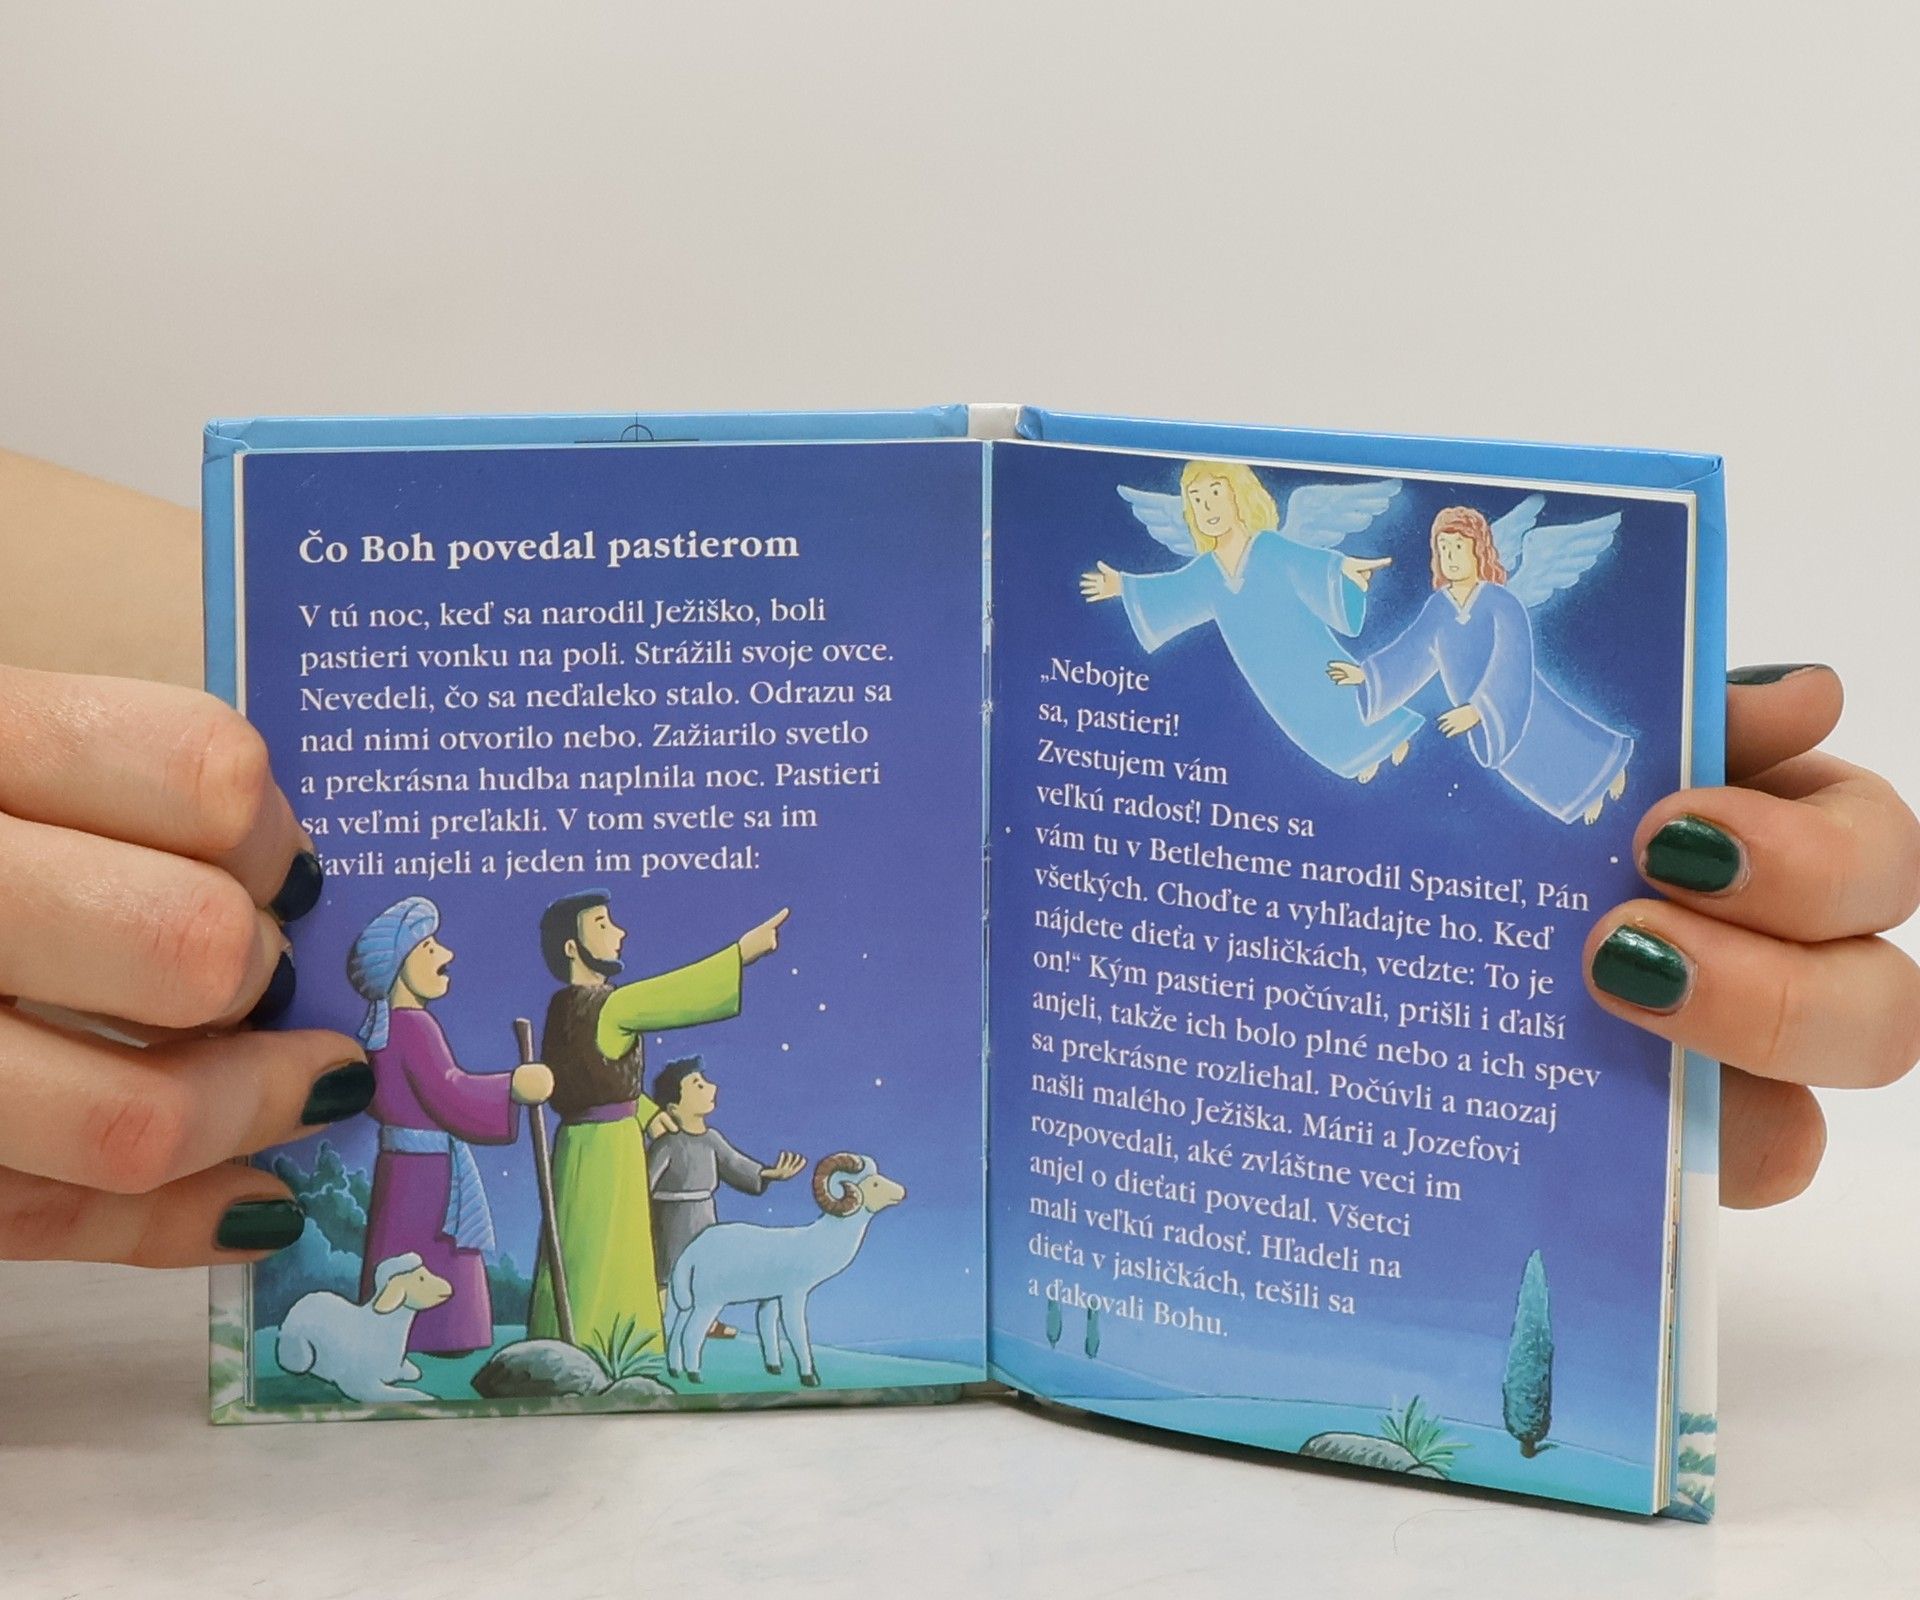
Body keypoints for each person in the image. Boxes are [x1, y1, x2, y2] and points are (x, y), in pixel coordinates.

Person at [0, 445, 1914, 1260]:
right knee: (544, 1272)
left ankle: (1568, 776)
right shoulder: (509, 1027)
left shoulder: (1300, 565)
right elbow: (576, 1049)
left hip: (1359, 710)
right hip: (517, 1178)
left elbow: (1343, 605)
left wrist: (300, 700)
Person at [526, 890, 788, 1354]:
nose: (619, 932)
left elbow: (588, 1074)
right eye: (602, 924)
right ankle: (608, 1348)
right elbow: (674, 994)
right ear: (571, 946)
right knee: (609, 1248)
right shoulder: (610, 1006)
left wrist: (646, 1111)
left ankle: (565, 1343)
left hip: (575, 1147)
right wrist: (742, 953)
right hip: (608, 1149)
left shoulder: (562, 1006)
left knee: (576, 1245)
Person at [1080, 459, 1422, 783]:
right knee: (1301, 718)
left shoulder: (1270, 546)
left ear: (1239, 496)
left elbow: (1311, 564)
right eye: (1196, 499)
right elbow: (1172, 591)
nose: (1207, 507)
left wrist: (1343, 569)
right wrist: (1122, 585)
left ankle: (1391, 733)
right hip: (1267, 673)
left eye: (1215, 493)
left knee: (1334, 693)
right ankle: (1360, 755)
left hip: (1306, 652)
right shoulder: (1207, 570)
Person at [1328, 503, 1634, 824]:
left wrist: (1480, 709)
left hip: (1517, 698)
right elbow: (1413, 649)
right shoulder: (1439, 605)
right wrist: (1367, 675)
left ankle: (1609, 769)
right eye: (1443, 548)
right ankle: (1583, 796)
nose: (1451, 556)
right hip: (1475, 708)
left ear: (1479, 550)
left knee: (1558, 736)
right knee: (1525, 764)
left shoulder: (1502, 601)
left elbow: (1513, 659)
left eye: (1459, 547)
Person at [345, 896, 553, 1356]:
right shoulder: (414, 1027)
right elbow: (447, 1092)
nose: (446, 954)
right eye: (429, 947)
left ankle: (409, 1335)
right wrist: (514, 1087)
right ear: (400, 964)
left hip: (405, 1169)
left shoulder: (385, 1031)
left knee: (408, 1244)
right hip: (429, 1174)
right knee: (437, 1248)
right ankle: (442, 1336)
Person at [646, 1055, 805, 1324]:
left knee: (705, 1269)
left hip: (705, 1215)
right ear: (673, 1107)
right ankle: (662, 1323)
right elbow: (645, 1182)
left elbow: (733, 1163)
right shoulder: (667, 1144)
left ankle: (707, 1322)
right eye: (697, 1084)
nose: (711, 1087)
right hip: (671, 1219)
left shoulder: (712, 1139)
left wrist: (767, 1174)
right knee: (671, 1272)